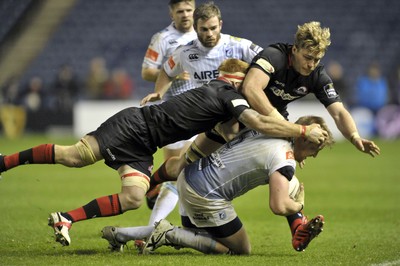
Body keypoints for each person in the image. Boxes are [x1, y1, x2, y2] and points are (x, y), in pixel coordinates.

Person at [0, 59, 327, 247]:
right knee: (76, 156)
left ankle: (66, 219)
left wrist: (162, 177)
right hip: (133, 125)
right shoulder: (225, 93)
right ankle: (4, 162)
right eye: (248, 83)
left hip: (146, 145)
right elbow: (252, 118)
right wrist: (299, 130)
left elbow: (216, 138)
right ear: (236, 80)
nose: (251, 90)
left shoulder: (225, 106)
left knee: (132, 198)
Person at [101, 115, 334, 255]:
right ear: (304, 138)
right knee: (240, 248)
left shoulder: (268, 126)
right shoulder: (284, 157)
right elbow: (278, 205)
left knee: (198, 234)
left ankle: (119, 234)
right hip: (204, 195)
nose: (315, 155)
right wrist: (297, 207)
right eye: (316, 148)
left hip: (190, 174)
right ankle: (170, 235)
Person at [141, 1, 263, 222]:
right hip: (190, 117)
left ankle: (160, 209)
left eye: (213, 28)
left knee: (188, 174)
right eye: (204, 29)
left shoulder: (237, 46)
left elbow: (267, 63)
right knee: (184, 174)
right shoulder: (177, 47)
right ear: (195, 28)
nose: (209, 33)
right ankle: (158, 218)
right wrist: (160, 92)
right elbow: (161, 71)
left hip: (220, 121)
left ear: (220, 24)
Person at [240, 21, 381, 158]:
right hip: (240, 113)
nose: (311, 65)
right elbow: (251, 88)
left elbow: (338, 112)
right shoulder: (274, 56)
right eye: (308, 57)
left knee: (285, 165)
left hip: (273, 120)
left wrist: (355, 137)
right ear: (295, 49)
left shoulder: (317, 76)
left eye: (317, 59)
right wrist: (280, 122)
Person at [140, 0, 197, 221]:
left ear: (195, 10)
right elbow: (146, 72)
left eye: (188, 10)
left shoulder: (203, 35)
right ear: (171, 13)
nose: (185, 15)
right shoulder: (162, 38)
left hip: (199, 110)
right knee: (175, 172)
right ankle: (157, 193)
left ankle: (158, 224)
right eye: (180, 11)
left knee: (187, 170)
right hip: (172, 112)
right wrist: (170, 72)